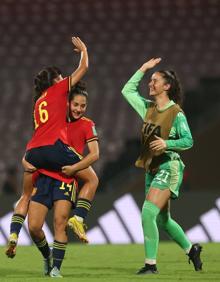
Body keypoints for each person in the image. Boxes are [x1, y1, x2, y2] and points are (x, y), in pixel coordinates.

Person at [6, 36, 90, 258]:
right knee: (91, 177)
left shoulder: (38, 102)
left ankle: (15, 233)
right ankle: (79, 217)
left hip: (33, 152)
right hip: (54, 148)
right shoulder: (58, 90)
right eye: (60, 77)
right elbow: (84, 68)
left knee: (26, 197)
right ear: (55, 81)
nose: (63, 79)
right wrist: (84, 50)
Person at [122, 58, 202, 274]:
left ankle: (151, 265)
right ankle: (191, 250)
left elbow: (188, 140)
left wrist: (167, 143)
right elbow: (127, 91)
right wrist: (142, 69)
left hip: (169, 166)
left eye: (154, 80)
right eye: (150, 80)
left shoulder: (176, 113)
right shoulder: (148, 108)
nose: (150, 83)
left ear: (167, 86)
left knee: (148, 213)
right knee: (163, 220)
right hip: (152, 168)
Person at [28, 173, 78, 278]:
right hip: (43, 177)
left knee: (61, 222)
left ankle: (56, 269)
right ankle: (47, 255)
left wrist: (73, 169)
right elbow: (27, 158)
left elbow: (92, 156)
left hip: (65, 178)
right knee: (34, 228)